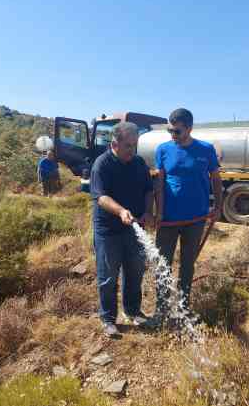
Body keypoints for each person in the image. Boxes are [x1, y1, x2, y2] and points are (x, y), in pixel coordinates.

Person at [153, 108, 223, 321]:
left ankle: (183, 308)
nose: (173, 135)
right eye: (170, 130)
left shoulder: (206, 150)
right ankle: (162, 309)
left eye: (177, 131)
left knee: (187, 265)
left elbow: (216, 179)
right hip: (168, 220)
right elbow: (159, 184)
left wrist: (218, 207)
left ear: (189, 128)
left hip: (196, 219)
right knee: (163, 264)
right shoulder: (163, 150)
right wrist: (159, 212)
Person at [90, 122, 154, 338]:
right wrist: (120, 211)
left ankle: (133, 311)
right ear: (114, 144)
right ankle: (108, 319)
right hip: (108, 230)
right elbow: (101, 197)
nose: (132, 150)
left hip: (134, 228)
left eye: (134, 145)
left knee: (135, 271)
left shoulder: (139, 163)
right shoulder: (102, 164)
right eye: (128, 146)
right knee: (108, 276)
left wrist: (148, 211)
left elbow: (148, 190)